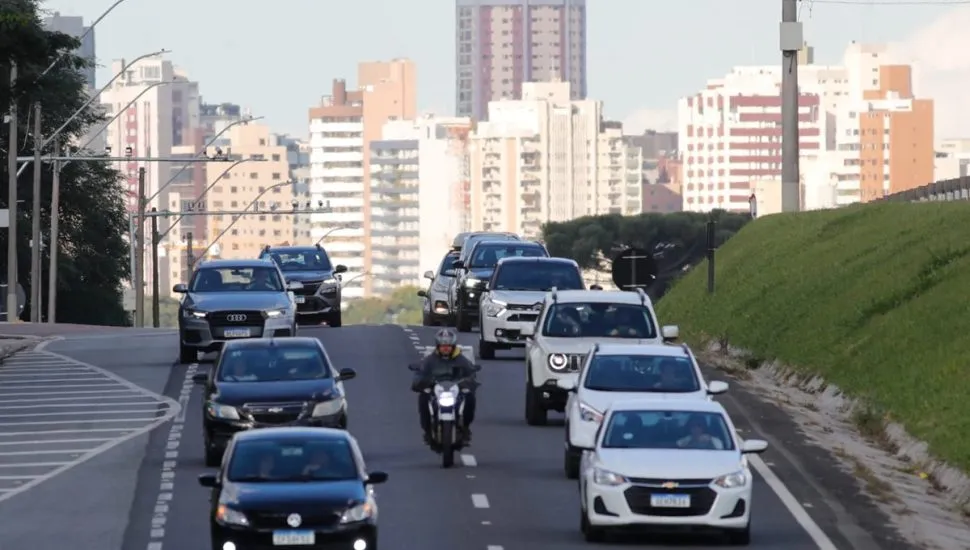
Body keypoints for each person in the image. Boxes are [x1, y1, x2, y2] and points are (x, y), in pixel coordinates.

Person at [412, 328, 478, 444]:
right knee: (423, 398)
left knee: (470, 398)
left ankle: (465, 427)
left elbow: (471, 373)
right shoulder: (430, 360)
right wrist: (421, 383)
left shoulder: (461, 360)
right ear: (438, 346)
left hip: (455, 390)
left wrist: (468, 382)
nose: (445, 348)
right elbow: (420, 374)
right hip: (436, 390)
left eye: (448, 345)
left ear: (453, 346)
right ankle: (427, 430)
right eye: (442, 346)